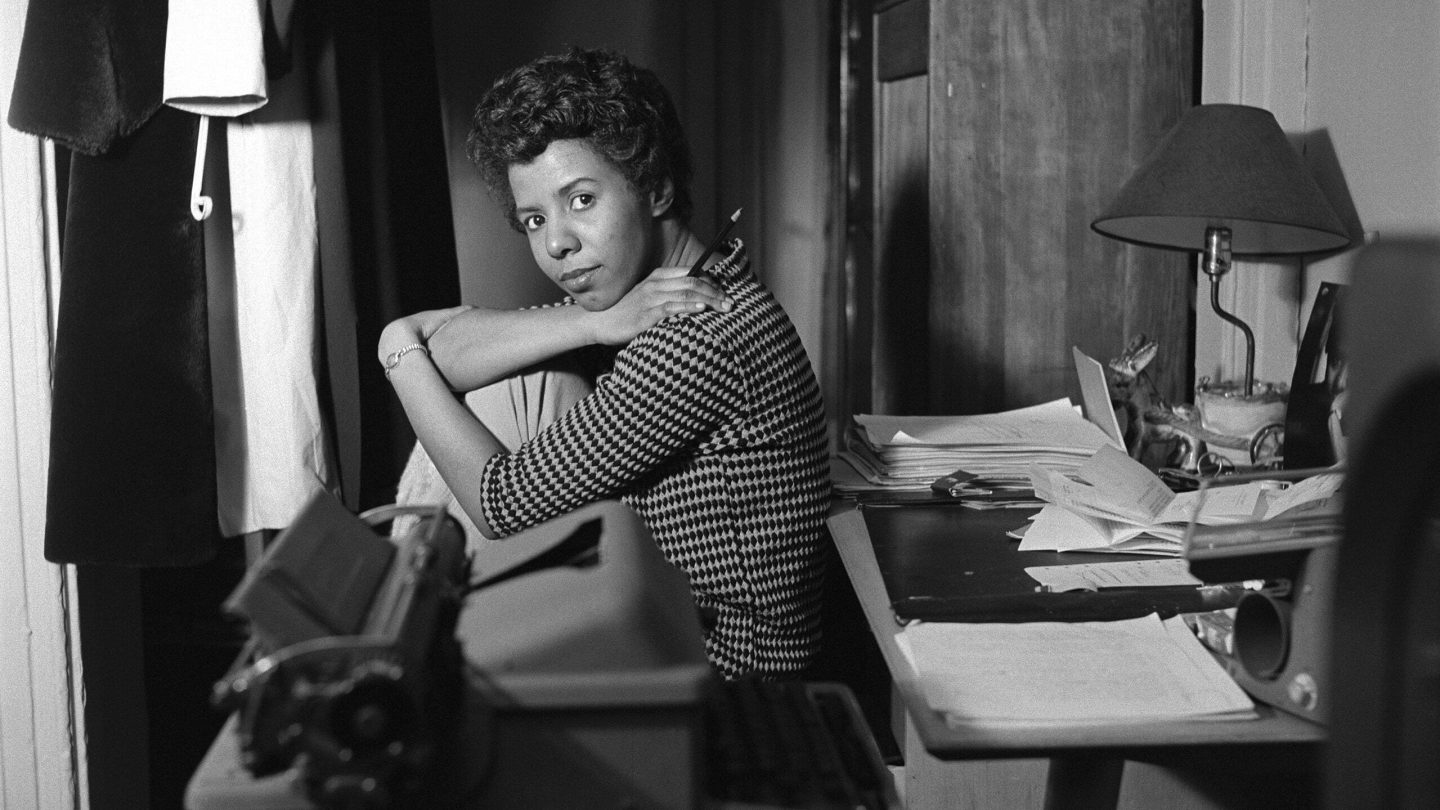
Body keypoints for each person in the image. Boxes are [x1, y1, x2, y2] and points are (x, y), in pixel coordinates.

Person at [377, 48, 831, 680]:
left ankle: (391, 657)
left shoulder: (697, 332)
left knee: (505, 391)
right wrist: (589, 322)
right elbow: (448, 357)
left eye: (582, 199)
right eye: (535, 218)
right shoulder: (651, 298)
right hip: (657, 618)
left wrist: (393, 342)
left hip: (724, 677)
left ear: (656, 188)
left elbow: (497, 501)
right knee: (522, 371)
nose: (557, 242)